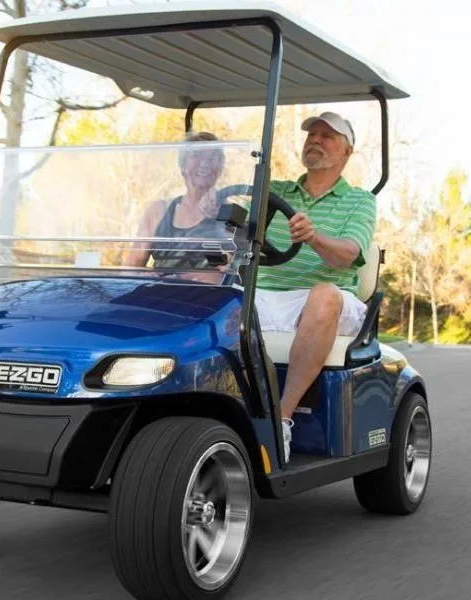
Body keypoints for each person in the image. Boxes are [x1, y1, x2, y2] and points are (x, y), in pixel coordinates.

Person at [255, 111, 376, 462]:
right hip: (263, 296)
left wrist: (314, 237)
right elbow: (240, 234)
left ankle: (280, 420)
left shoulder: (360, 201)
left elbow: (348, 254)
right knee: (213, 294)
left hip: (329, 302)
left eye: (327, 136)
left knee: (324, 295)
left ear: (346, 152)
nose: (316, 141)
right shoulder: (276, 191)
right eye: (312, 135)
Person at [123, 131, 226, 272]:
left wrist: (214, 225)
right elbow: (132, 266)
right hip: (163, 286)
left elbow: (229, 267)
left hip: (208, 286)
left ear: (220, 168)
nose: (204, 163)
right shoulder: (159, 211)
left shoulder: (232, 215)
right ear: (183, 165)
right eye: (196, 156)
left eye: (212, 157)